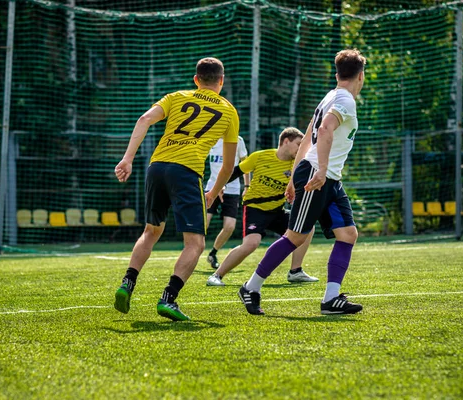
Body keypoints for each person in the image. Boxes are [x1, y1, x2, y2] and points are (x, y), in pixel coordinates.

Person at [238, 49, 366, 316]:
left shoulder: (330, 96)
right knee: (295, 236)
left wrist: (293, 177)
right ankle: (251, 287)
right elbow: (323, 130)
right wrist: (315, 170)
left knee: (348, 234)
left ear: (337, 74)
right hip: (319, 175)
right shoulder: (345, 99)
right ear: (361, 76)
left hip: (327, 177)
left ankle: (331, 299)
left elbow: (307, 135)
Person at [113, 57, 239, 321]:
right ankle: (169, 298)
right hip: (187, 172)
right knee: (195, 243)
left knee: (151, 231)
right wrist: (213, 192)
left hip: (156, 167)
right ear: (221, 81)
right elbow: (228, 166)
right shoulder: (229, 111)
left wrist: (127, 158)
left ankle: (128, 282)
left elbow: (144, 119)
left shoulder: (176, 96)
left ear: (196, 80)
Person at [206, 127, 319, 287]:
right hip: (255, 209)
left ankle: (295, 272)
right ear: (285, 141)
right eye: (298, 144)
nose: (301, 149)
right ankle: (216, 275)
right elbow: (235, 172)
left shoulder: (296, 165)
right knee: (251, 244)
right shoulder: (260, 156)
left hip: (277, 211)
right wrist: (218, 187)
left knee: (307, 227)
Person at [205, 136, 249, 269]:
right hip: (211, 189)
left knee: (229, 226)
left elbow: (245, 165)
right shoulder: (210, 138)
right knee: (203, 223)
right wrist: (217, 187)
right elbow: (199, 162)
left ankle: (213, 253)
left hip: (232, 190)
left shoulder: (238, 140)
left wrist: (247, 186)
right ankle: (193, 251)